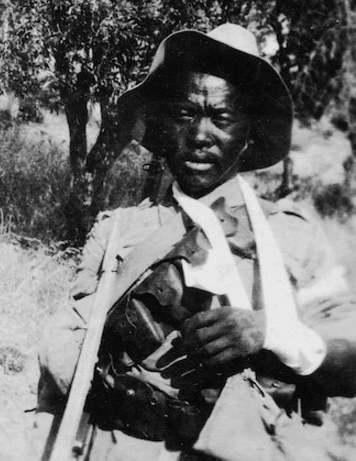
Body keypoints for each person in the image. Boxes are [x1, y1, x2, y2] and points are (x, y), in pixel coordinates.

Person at [37, 23, 356, 460]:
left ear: (249, 133)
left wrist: (271, 332)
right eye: (185, 114)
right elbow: (70, 354)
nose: (201, 134)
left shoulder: (294, 236)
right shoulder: (119, 232)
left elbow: (351, 360)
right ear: (163, 124)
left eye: (222, 118)